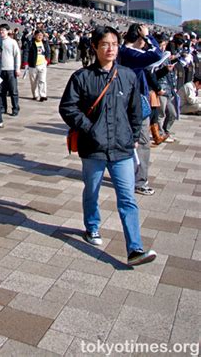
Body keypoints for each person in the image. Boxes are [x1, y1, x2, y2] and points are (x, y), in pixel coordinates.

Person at [59, 25, 157, 267]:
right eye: (105, 43)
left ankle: (135, 248)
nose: (110, 48)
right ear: (95, 47)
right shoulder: (82, 77)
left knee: (127, 198)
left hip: (122, 148)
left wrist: (134, 135)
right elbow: (67, 107)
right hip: (93, 148)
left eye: (114, 43)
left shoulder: (127, 75)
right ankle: (92, 226)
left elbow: (136, 110)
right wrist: (89, 128)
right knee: (91, 190)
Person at [118, 24, 164, 196]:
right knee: (142, 142)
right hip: (135, 103)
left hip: (125, 101)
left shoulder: (122, 52)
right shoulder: (131, 53)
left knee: (130, 140)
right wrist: (148, 36)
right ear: (139, 39)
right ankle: (139, 180)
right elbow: (157, 53)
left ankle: (128, 176)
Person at [0, 24, 21, 116]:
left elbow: (17, 56)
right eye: (0, 30)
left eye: (3, 30)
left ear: (8, 31)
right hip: (0, 70)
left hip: (10, 70)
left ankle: (15, 108)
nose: (1, 32)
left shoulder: (12, 42)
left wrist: (17, 68)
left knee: (13, 91)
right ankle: (2, 107)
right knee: (1, 91)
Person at [25, 30, 50, 102]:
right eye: (38, 35)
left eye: (41, 35)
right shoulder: (30, 43)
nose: (40, 36)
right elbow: (26, 52)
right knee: (33, 81)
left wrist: (47, 60)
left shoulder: (44, 43)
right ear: (35, 35)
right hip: (33, 65)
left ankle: (43, 95)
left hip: (42, 64)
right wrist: (25, 62)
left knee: (42, 80)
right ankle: (35, 95)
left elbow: (48, 52)